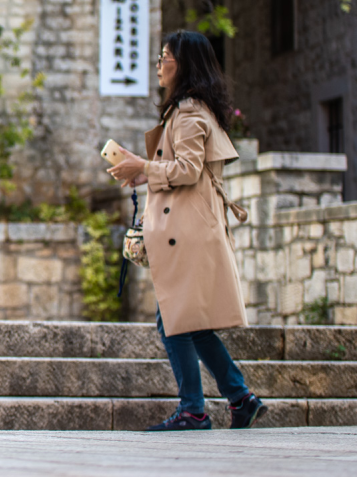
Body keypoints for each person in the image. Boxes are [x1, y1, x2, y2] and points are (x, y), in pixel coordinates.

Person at [108, 30, 268, 431]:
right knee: (185, 320)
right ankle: (239, 398)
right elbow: (182, 170)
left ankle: (195, 410)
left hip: (188, 232)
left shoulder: (189, 112)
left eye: (165, 57)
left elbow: (189, 170)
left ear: (184, 64)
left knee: (175, 320)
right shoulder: (189, 110)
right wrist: (142, 172)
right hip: (189, 228)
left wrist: (144, 167)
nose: (158, 65)